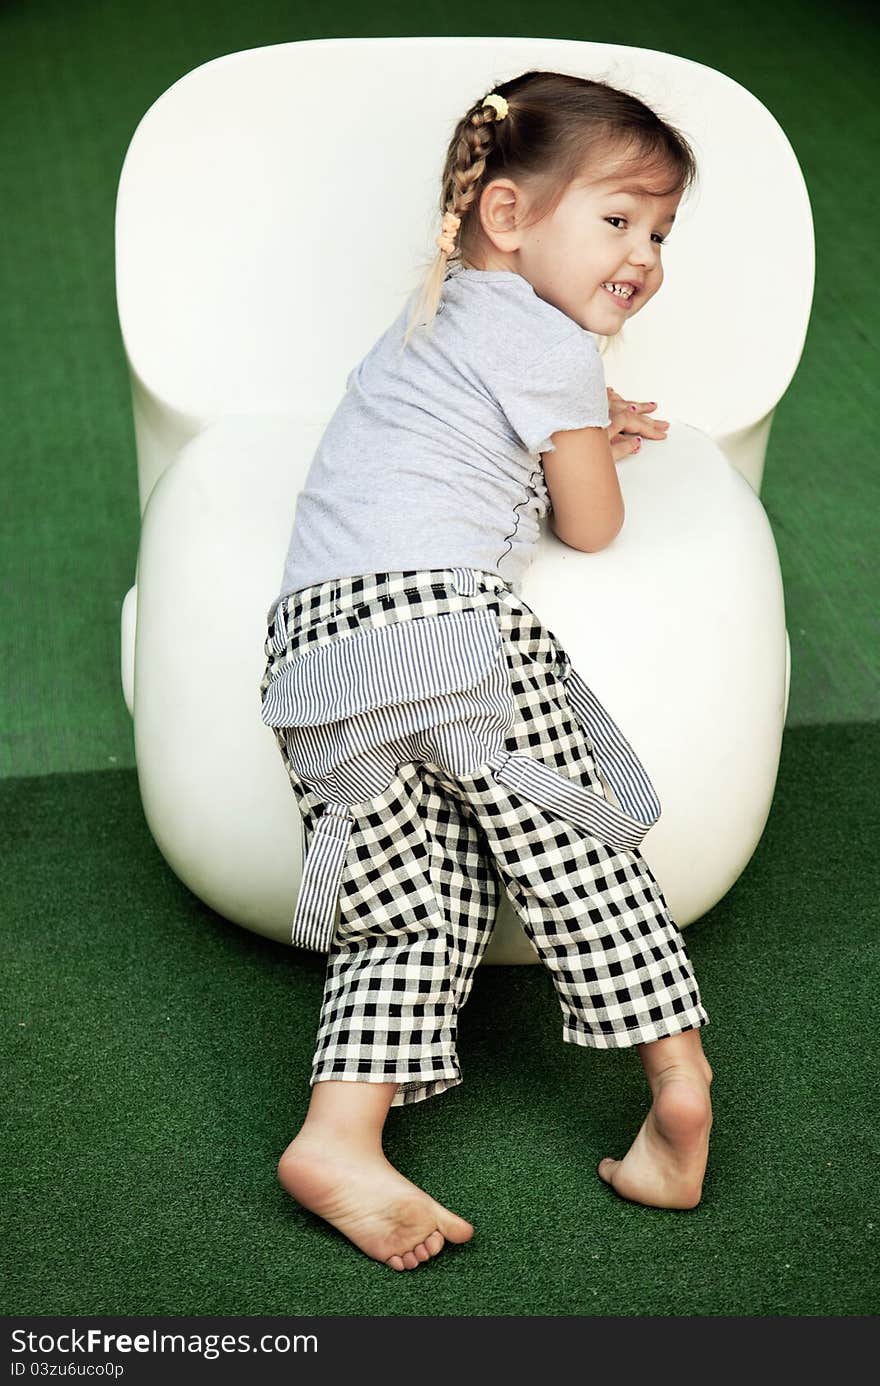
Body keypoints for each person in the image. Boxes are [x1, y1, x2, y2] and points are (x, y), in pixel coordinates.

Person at [259, 70, 713, 1273]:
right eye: (618, 220)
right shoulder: (549, 341)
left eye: (660, 231)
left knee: (413, 908)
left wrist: (576, 425)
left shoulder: (433, 320)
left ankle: (338, 1136)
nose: (644, 256)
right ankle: (675, 1083)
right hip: (443, 631)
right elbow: (593, 527)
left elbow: (455, 449)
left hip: (313, 651)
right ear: (509, 217)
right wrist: (594, 441)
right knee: (573, 845)